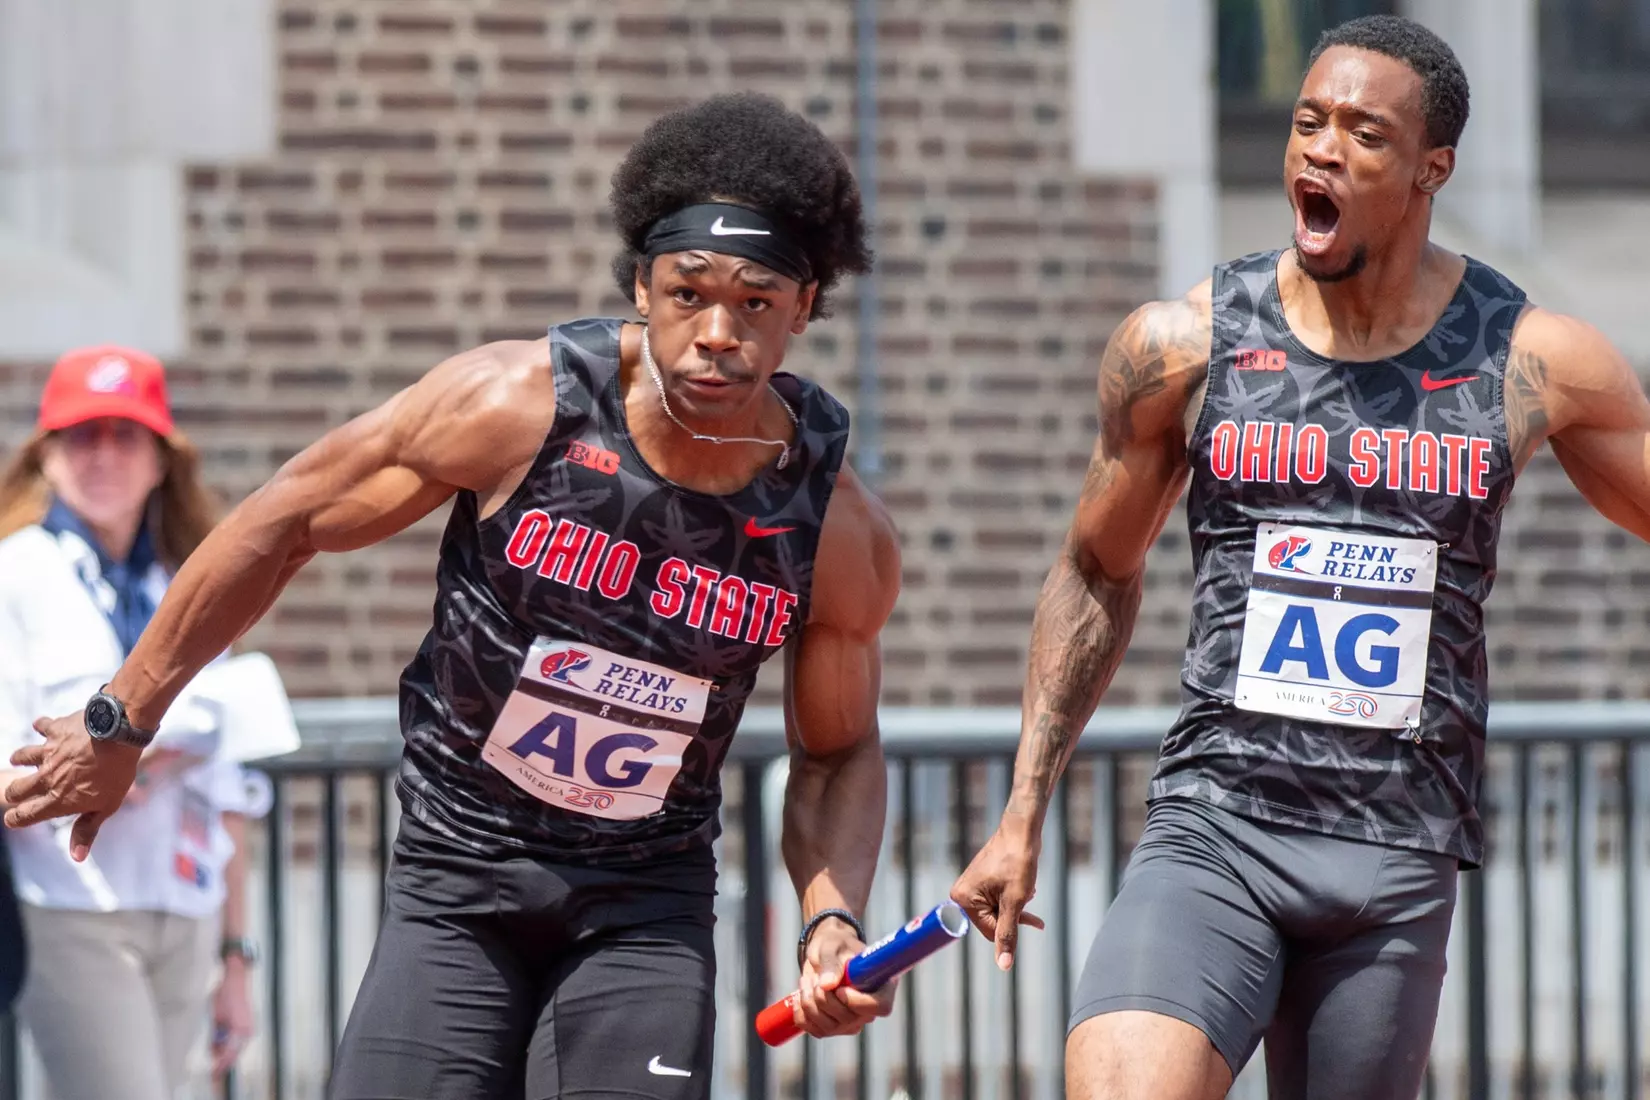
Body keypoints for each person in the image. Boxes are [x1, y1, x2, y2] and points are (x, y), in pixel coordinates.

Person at [4, 92, 901, 1098]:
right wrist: (123, 720)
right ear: (642, 286)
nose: (717, 332)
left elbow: (836, 747)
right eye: (689, 292)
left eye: (757, 300)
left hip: (644, 902)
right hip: (458, 875)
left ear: (807, 306)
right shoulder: (518, 406)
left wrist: (834, 913)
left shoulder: (833, 523)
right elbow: (283, 519)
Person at [952, 14, 1650, 1100]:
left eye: (1363, 133)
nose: (1320, 149)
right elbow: (1097, 569)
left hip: (1394, 853)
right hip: (1217, 824)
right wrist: (1021, 811)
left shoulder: (1532, 361)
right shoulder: (1185, 346)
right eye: (1307, 121)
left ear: (1430, 170)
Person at [0, 346, 267, 1099]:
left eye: (126, 435)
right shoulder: (15, 575)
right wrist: (110, 770)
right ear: (46, 456)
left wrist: (236, 956)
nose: (104, 456)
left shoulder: (188, 582)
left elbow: (231, 786)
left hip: (187, 906)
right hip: (74, 907)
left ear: (161, 460)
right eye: (83, 436)